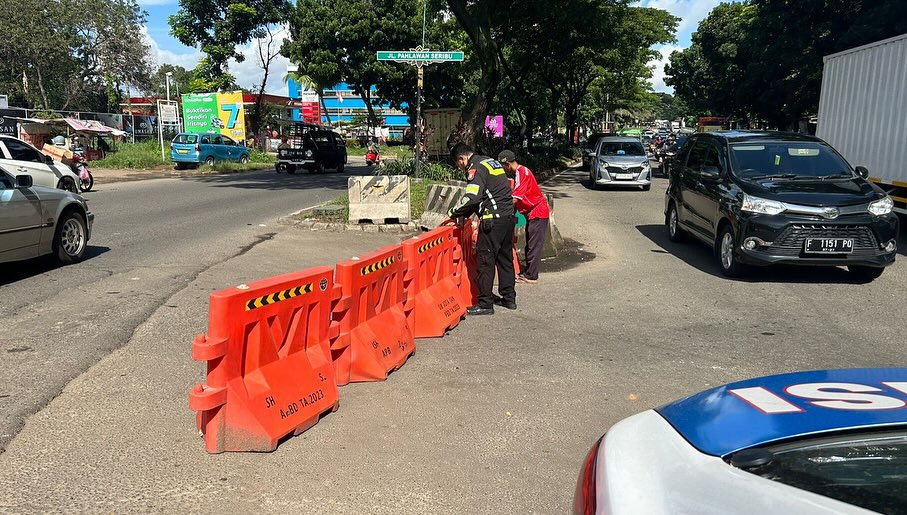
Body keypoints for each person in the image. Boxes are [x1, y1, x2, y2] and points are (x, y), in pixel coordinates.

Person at [444, 143, 517, 315]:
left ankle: (485, 303)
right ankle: (509, 298)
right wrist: (466, 214)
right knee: (505, 260)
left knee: (485, 261)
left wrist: (453, 212)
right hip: (507, 218)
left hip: (492, 221)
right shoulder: (491, 162)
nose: (460, 167)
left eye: (458, 164)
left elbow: (472, 198)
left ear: (461, 159)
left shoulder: (475, 168)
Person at [498, 150, 550, 284]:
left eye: (503, 166)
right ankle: (528, 272)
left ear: (507, 164)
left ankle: (531, 276)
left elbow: (516, 197)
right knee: (530, 244)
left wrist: (501, 208)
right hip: (533, 212)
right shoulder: (521, 172)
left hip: (537, 211)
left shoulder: (521, 173)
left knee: (534, 245)